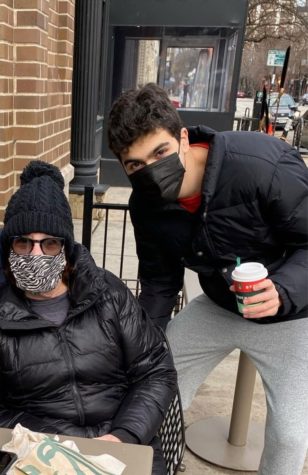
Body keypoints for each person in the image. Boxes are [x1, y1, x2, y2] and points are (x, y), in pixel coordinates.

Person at [108, 83, 308, 475]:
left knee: (290, 436)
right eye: (135, 164)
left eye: (160, 152)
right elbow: (160, 282)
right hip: (218, 305)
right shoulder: (145, 205)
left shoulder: (261, 164)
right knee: (149, 392)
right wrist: (142, 346)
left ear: (183, 137)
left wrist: (284, 290)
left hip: (290, 314)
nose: (150, 170)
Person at [0, 160, 177, 475]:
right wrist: (57, 443)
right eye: (23, 242)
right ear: (8, 248)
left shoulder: (108, 293)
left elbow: (155, 371)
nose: (35, 254)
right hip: (42, 452)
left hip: (124, 444)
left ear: (66, 248)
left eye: (49, 243)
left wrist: (125, 435)